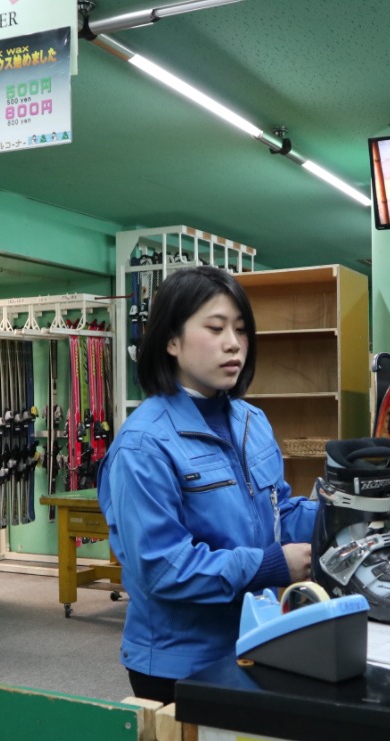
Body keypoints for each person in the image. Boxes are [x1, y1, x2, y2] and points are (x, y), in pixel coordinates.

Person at [98, 266, 316, 704]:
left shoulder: (253, 422)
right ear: (172, 341)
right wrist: (270, 567)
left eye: (240, 330)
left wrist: (348, 503)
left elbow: (281, 514)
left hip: (258, 639)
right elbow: (162, 567)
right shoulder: (144, 445)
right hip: (180, 664)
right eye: (215, 328)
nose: (233, 343)